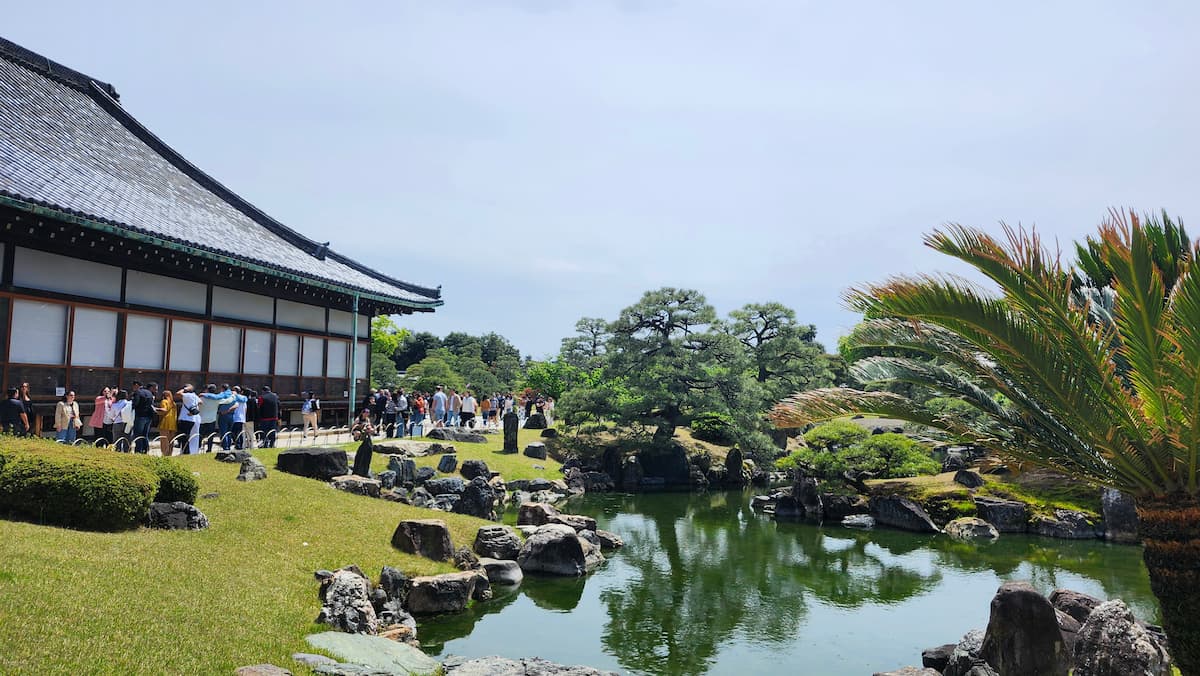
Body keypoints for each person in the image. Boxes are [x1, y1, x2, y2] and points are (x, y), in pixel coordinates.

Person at [130, 381, 160, 454]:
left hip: (140, 416)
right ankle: (145, 449)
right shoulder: (150, 394)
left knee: (138, 434)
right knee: (145, 434)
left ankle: (138, 450)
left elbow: (135, 403)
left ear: (137, 386)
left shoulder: (138, 392)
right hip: (149, 417)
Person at [198, 384, 230, 452]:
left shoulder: (201, 398)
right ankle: (209, 449)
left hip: (201, 419)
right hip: (212, 419)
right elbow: (227, 401)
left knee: (200, 435)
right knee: (211, 436)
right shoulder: (217, 400)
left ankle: (198, 448)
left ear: (207, 390)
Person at [350, 408, 375, 478]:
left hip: (364, 432)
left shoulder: (367, 419)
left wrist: (369, 429)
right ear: (363, 413)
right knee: (358, 433)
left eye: (368, 412)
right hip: (358, 431)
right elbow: (353, 427)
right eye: (366, 412)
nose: (367, 414)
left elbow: (369, 426)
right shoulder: (358, 419)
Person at [176, 384, 201, 455]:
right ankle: (192, 451)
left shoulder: (188, 395)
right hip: (193, 419)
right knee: (191, 436)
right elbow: (200, 402)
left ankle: (185, 452)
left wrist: (184, 389)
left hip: (185, 418)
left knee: (184, 436)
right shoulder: (195, 396)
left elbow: (178, 394)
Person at [158, 386, 177, 456]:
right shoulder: (173, 403)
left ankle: (164, 454)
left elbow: (164, 410)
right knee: (171, 440)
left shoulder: (164, 401)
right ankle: (170, 454)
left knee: (164, 440)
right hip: (173, 423)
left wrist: (156, 409)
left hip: (165, 422)